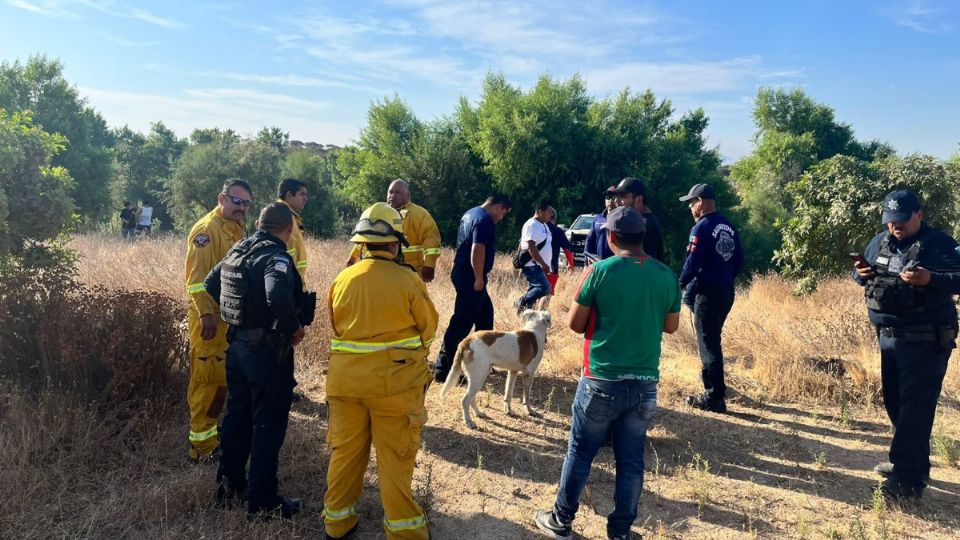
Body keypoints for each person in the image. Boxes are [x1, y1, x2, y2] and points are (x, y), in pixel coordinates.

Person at [534, 206, 681, 540]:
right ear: (642, 236)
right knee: (630, 461)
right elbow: (671, 327)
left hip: (601, 379)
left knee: (581, 452)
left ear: (611, 237)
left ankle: (560, 521)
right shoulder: (665, 275)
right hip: (644, 385)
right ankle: (620, 532)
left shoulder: (600, 272)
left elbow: (574, 324)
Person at [323, 202, 439, 539]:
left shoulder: (342, 279)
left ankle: (337, 522)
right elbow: (427, 329)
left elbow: (337, 328)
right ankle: (405, 532)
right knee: (394, 461)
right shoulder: (408, 280)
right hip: (395, 388)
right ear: (395, 244)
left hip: (344, 385)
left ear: (360, 243)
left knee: (345, 454)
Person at [203, 203, 314, 519]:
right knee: (268, 424)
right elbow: (277, 293)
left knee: (238, 418)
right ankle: (263, 502)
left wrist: (241, 313)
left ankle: (228, 489)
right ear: (288, 229)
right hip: (266, 353)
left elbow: (212, 284)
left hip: (237, 347)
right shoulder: (275, 255)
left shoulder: (240, 250)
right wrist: (294, 327)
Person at [853, 189, 960, 500]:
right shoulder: (880, 241)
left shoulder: (940, 244)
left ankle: (907, 480)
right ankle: (911, 461)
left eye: (901, 220)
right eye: (890, 220)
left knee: (915, 406)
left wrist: (932, 279)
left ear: (919, 214)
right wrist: (861, 274)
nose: (894, 226)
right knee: (896, 402)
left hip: (924, 339)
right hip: (888, 337)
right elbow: (862, 274)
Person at [183, 179, 252, 462]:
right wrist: (206, 314)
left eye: (246, 203)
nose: (242, 208)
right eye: (237, 201)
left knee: (221, 380)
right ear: (221, 198)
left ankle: (211, 435)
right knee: (206, 382)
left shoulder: (235, 228)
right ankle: (200, 447)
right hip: (208, 321)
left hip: (226, 319)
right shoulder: (206, 231)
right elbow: (196, 281)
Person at [678, 183, 743, 414]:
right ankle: (713, 382)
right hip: (726, 291)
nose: (690, 207)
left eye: (691, 202)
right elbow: (739, 260)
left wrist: (681, 283)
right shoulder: (729, 226)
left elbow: (692, 262)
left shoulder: (701, 228)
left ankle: (714, 396)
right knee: (712, 339)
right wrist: (725, 277)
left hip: (708, 292)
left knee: (708, 344)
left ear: (702, 202)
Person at [432, 194, 511, 383]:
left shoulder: (471, 213)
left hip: (462, 272)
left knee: (485, 316)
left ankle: (480, 363)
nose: (502, 217)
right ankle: (444, 370)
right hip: (470, 276)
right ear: (499, 207)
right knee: (462, 322)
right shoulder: (485, 220)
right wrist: (478, 278)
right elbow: (477, 249)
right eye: (504, 213)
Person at [347, 179, 442, 283]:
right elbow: (370, 237)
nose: (393, 195)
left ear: (408, 195)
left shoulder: (419, 214)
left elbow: (431, 238)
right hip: (383, 269)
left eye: (398, 192)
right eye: (391, 192)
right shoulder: (380, 213)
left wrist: (429, 264)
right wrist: (353, 256)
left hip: (411, 271)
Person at [612, 177, 664, 262]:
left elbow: (645, 265)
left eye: (623, 196)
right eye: (617, 196)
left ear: (639, 200)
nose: (617, 201)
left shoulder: (646, 225)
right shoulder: (640, 221)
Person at [514, 201, 553, 314]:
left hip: (538, 265)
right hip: (532, 265)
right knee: (544, 288)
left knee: (534, 292)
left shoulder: (543, 225)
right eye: (549, 212)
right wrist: (543, 264)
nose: (551, 215)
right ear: (541, 211)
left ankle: (523, 314)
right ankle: (520, 301)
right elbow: (531, 247)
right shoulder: (532, 224)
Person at [276, 178, 309, 278]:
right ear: (289, 195)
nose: (306, 198)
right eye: (302, 194)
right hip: (288, 282)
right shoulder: (281, 216)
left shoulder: (288, 216)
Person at [544, 208, 575, 307]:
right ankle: (541, 314)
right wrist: (571, 265)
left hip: (535, 267)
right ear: (554, 218)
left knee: (535, 291)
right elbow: (567, 250)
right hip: (551, 268)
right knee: (547, 293)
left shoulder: (538, 228)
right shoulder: (557, 231)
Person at [584, 186, 619, 264]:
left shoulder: (623, 219)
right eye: (607, 197)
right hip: (598, 264)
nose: (609, 200)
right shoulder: (598, 218)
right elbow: (589, 241)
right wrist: (586, 262)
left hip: (616, 265)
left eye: (612, 197)